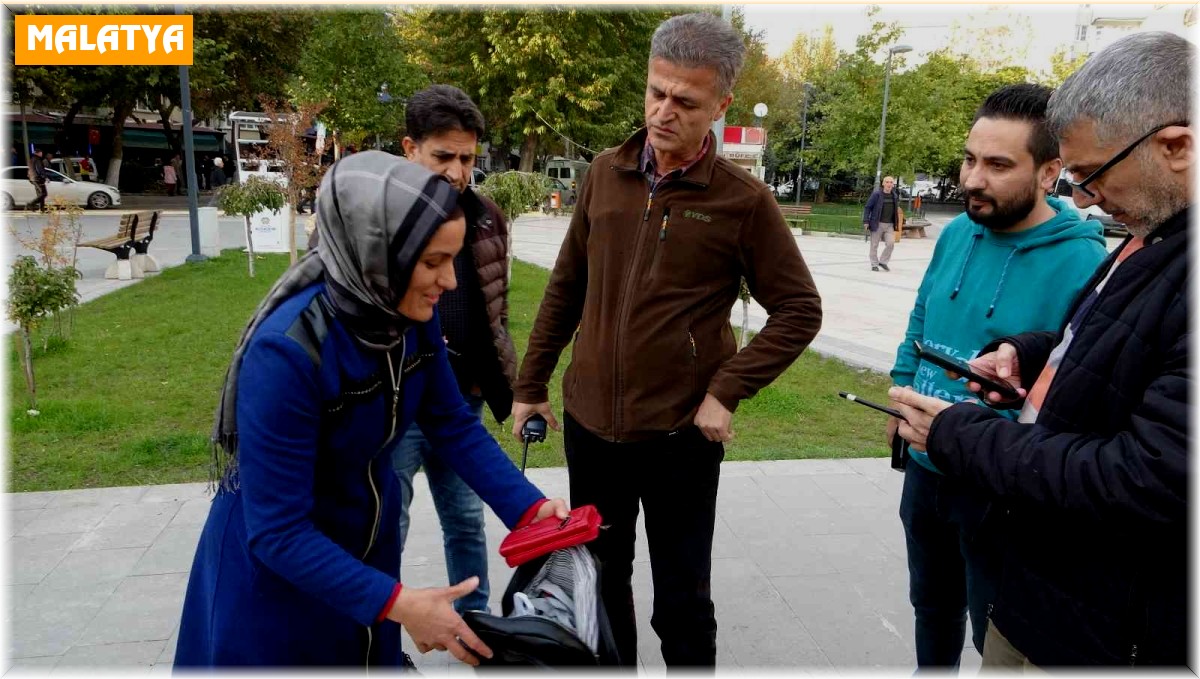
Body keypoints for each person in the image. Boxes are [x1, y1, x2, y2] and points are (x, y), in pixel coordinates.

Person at [511, 13, 823, 667]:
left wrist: (726, 390)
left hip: (681, 435)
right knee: (601, 580)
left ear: (721, 104)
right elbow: (568, 284)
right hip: (591, 423)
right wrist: (531, 384)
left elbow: (798, 308)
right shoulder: (604, 173)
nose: (663, 112)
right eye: (656, 92)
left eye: (685, 101)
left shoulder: (742, 200)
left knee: (681, 598)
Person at [175, 152, 570, 668]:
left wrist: (529, 510)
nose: (449, 282)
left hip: (365, 551)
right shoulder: (288, 352)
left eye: (452, 259)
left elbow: (451, 424)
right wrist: (401, 605)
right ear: (378, 253)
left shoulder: (406, 314)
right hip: (280, 582)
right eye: (432, 262)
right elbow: (277, 531)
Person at [890, 31, 1191, 667]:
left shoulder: (1105, 248)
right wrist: (1030, 352)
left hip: (1070, 571)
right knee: (932, 609)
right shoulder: (1150, 240)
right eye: (968, 160)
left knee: (978, 621)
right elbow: (1100, 347)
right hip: (1022, 538)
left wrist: (967, 438)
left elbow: (1150, 476)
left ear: (1177, 146)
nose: (1084, 197)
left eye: (1091, 173)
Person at [887, 83, 1107, 670]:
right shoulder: (957, 232)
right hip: (925, 469)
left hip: (1001, 490)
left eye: (998, 164)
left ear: (1049, 171)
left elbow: (1073, 390)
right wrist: (900, 397)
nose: (973, 179)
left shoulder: (1082, 262)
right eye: (969, 158)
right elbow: (921, 316)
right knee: (930, 607)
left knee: (996, 631)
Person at [387, 84, 516, 616]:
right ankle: (381, 629)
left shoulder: (485, 216)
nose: (458, 171)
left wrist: (496, 373)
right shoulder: (380, 219)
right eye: (444, 156)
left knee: (464, 516)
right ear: (409, 148)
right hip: (396, 403)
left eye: (467, 158)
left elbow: (496, 306)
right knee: (386, 521)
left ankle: (476, 620)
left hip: (464, 398)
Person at [862, 176, 901, 271]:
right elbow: (868, 207)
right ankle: (874, 264)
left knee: (891, 244)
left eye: (891, 182)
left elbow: (895, 210)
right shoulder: (876, 194)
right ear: (883, 183)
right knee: (874, 245)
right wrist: (866, 221)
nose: (889, 184)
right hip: (877, 223)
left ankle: (883, 261)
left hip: (890, 225)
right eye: (887, 182)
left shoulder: (894, 196)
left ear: (893, 184)